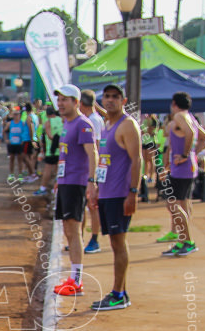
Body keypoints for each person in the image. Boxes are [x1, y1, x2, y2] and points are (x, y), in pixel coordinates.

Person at [91, 83, 142, 311]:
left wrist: (133, 192)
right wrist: (97, 187)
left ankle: (118, 294)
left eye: (115, 97)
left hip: (120, 194)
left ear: (123, 100)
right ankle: (120, 291)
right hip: (107, 192)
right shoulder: (107, 124)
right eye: (107, 96)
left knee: (119, 243)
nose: (110, 100)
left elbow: (137, 160)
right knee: (113, 243)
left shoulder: (128, 125)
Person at [52, 84, 98, 297]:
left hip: (76, 182)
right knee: (68, 229)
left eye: (65, 99)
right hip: (65, 182)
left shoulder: (83, 124)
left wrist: (91, 181)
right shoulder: (67, 124)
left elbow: (92, 153)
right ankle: (73, 276)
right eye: (59, 99)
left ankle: (77, 280)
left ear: (76, 102)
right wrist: (58, 180)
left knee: (74, 228)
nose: (60, 103)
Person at [160, 92, 205, 257]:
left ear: (174, 103)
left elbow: (190, 134)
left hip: (183, 168)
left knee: (173, 204)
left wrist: (184, 155)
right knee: (181, 204)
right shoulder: (189, 117)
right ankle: (182, 240)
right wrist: (193, 154)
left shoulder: (181, 116)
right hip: (185, 168)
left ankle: (187, 241)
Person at [79, 90, 107, 254]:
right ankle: (80, 238)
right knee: (84, 206)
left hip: (93, 169)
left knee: (92, 205)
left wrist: (92, 175)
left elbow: (95, 147)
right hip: (88, 168)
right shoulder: (91, 119)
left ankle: (94, 239)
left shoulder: (93, 121)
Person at [6, 108, 30, 181]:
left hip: (19, 144)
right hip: (12, 144)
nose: (16, 116)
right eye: (14, 114)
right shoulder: (10, 123)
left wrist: (23, 140)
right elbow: (4, 131)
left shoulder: (22, 123)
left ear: (19, 115)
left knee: (20, 160)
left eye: (17, 114)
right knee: (12, 159)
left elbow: (26, 132)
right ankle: (11, 174)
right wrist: (6, 139)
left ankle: (20, 175)